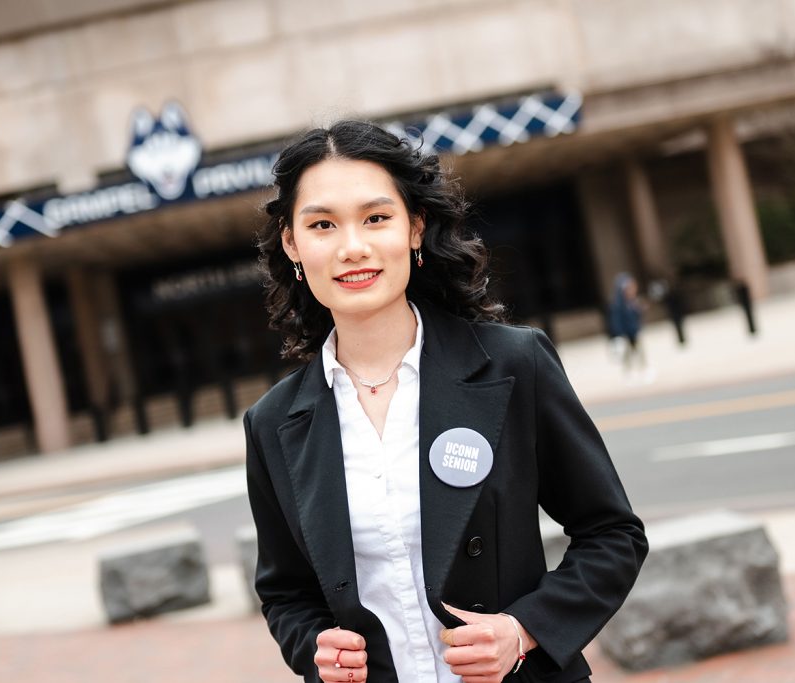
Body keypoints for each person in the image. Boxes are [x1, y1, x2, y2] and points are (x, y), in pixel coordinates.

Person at [244, 120, 647, 683]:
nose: (352, 247)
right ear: (293, 243)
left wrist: (523, 631)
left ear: (415, 227)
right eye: (323, 225)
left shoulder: (514, 364)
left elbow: (612, 535)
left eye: (376, 218)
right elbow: (287, 592)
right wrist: (315, 647)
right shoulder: (272, 423)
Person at [609, 273, 651, 382]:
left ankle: (644, 368)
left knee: (640, 351)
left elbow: (637, 316)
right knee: (627, 354)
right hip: (625, 333)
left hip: (634, 331)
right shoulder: (618, 305)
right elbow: (616, 320)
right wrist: (619, 333)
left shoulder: (632, 302)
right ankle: (628, 371)